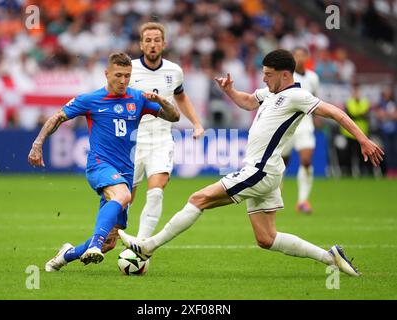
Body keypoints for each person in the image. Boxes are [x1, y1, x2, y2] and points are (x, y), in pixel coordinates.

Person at [118, 49, 384, 277]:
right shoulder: (271, 93)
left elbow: (335, 112)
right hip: (267, 172)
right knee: (266, 239)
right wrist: (230, 90)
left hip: (260, 171)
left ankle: (148, 246)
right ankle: (330, 257)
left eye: (268, 74)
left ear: (285, 74)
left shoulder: (296, 96)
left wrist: (362, 139)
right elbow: (247, 102)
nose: (264, 78)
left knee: (198, 198)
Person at [28, 52, 180, 272]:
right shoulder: (90, 100)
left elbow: (174, 117)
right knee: (123, 196)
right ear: (106, 73)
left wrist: (161, 100)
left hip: (125, 172)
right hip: (100, 165)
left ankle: (65, 255)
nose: (123, 80)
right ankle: (94, 245)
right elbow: (58, 117)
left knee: (110, 241)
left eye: (127, 76)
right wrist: (37, 143)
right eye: (118, 75)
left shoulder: (137, 99)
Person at [102, 22, 204, 251]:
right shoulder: (130, 70)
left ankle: (139, 244)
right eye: (147, 40)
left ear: (164, 43)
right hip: (132, 141)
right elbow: (112, 97)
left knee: (157, 191)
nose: (152, 44)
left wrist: (196, 123)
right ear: (140, 44)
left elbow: (181, 97)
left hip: (161, 139)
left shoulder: (174, 71)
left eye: (157, 40)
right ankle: (112, 234)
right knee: (126, 196)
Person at [281, 47, 319, 213]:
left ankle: (303, 201)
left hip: (305, 124)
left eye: (302, 55)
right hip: (287, 124)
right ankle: (275, 195)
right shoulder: (286, 76)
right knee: (281, 164)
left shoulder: (313, 77)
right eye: (296, 56)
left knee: (306, 161)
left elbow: (316, 98)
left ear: (307, 57)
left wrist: (317, 116)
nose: (300, 59)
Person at [339, 84, 372, 176]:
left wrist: (356, 115)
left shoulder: (365, 102)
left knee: (362, 154)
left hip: (362, 133)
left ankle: (363, 172)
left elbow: (366, 116)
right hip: (349, 133)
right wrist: (360, 114)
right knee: (348, 154)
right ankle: (348, 172)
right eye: (355, 92)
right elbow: (350, 115)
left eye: (358, 92)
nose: (356, 94)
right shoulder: (348, 102)